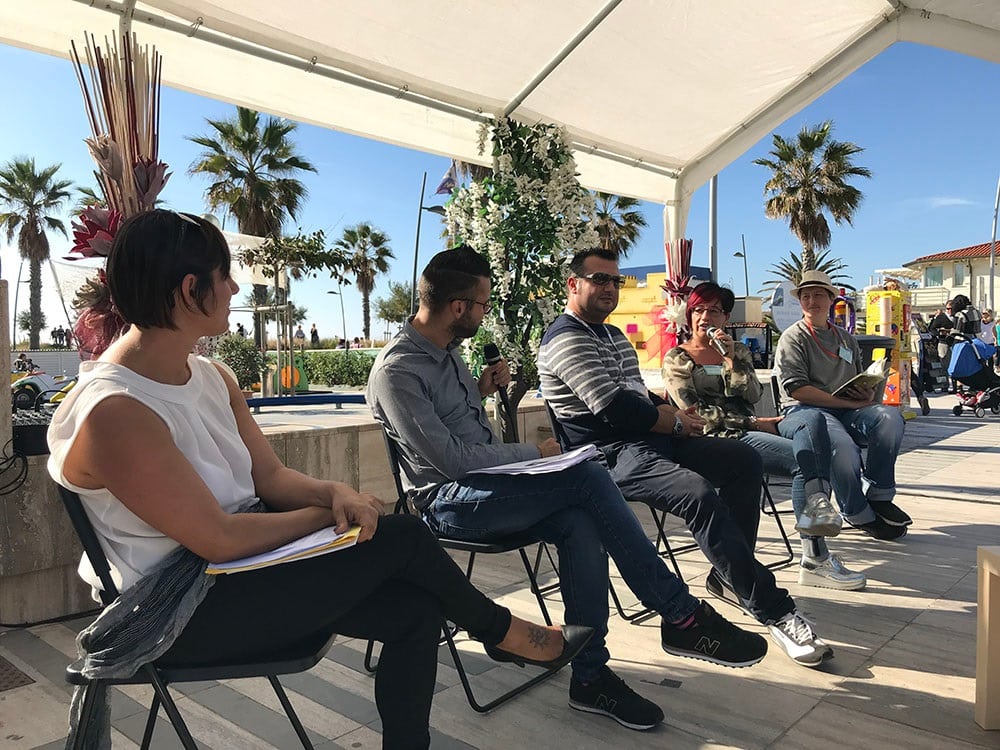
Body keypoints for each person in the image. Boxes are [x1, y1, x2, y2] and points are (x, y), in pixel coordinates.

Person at [46, 211, 590, 750]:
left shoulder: (212, 376)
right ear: (191, 291)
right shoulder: (114, 410)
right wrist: (328, 516)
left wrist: (334, 493)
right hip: (179, 609)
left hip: (243, 574)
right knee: (401, 536)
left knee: (416, 611)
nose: (235, 287)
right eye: (226, 275)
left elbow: (271, 477)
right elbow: (216, 537)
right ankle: (503, 633)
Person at [368, 245, 768, 732]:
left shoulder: (447, 353)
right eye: (482, 304)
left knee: (582, 520)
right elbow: (448, 461)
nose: (485, 313)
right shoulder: (397, 372)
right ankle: (681, 616)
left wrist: (479, 390)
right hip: (448, 502)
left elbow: (446, 422)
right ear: (457, 307)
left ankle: (591, 677)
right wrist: (534, 456)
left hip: (492, 486)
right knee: (586, 475)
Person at [539, 249, 834, 668]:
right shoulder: (566, 337)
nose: (609, 288)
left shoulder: (612, 336)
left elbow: (637, 395)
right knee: (696, 493)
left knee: (742, 461)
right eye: (598, 280)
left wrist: (668, 412)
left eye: (615, 281)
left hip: (648, 440)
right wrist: (674, 421)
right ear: (573, 284)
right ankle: (774, 609)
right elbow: (613, 409)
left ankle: (732, 577)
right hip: (604, 455)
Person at [662, 281, 866, 592]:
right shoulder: (678, 358)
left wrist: (732, 361)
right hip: (719, 437)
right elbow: (696, 414)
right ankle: (815, 555)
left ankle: (817, 505)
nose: (706, 317)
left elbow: (754, 393)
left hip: (752, 424)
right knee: (805, 459)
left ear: (725, 318)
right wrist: (753, 423)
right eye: (698, 310)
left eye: (714, 311)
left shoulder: (738, 350)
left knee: (810, 420)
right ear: (688, 316)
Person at [772, 270, 910, 542]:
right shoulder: (794, 337)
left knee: (890, 417)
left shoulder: (845, 339)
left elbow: (858, 378)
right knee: (842, 446)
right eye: (806, 296)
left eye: (819, 295)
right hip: (806, 411)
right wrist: (844, 401)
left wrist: (866, 391)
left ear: (831, 299)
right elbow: (796, 389)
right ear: (800, 302)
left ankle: (880, 494)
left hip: (848, 408)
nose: (812, 301)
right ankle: (857, 511)